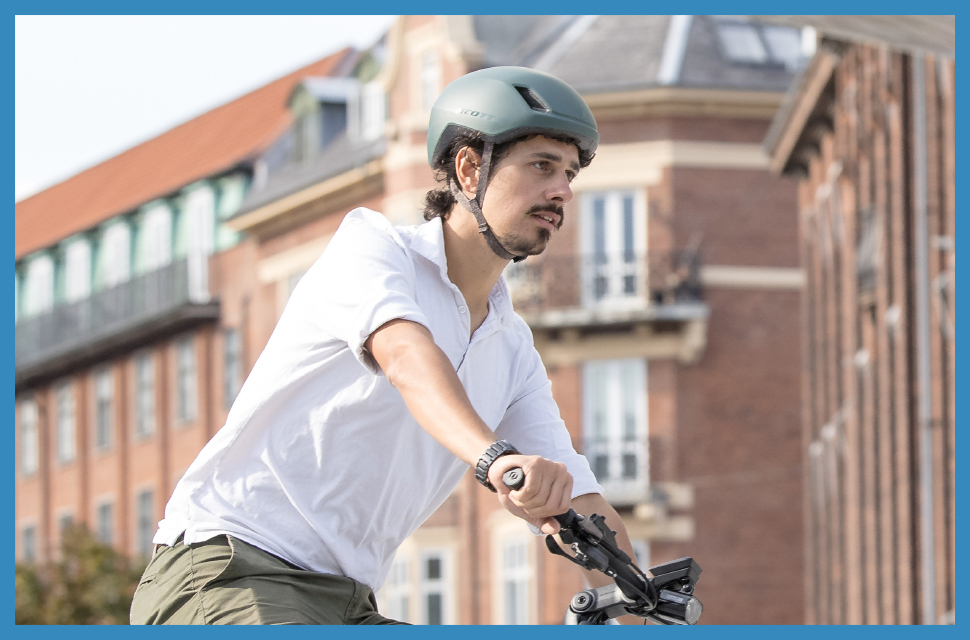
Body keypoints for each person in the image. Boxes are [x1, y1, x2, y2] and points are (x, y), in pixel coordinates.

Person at [130, 66, 639, 625]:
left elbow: (581, 505)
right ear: (470, 169)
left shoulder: (512, 350)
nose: (562, 189)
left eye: (569, 172)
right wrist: (498, 460)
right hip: (230, 568)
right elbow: (405, 358)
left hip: (346, 600)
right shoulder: (374, 249)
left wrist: (638, 600)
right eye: (542, 165)